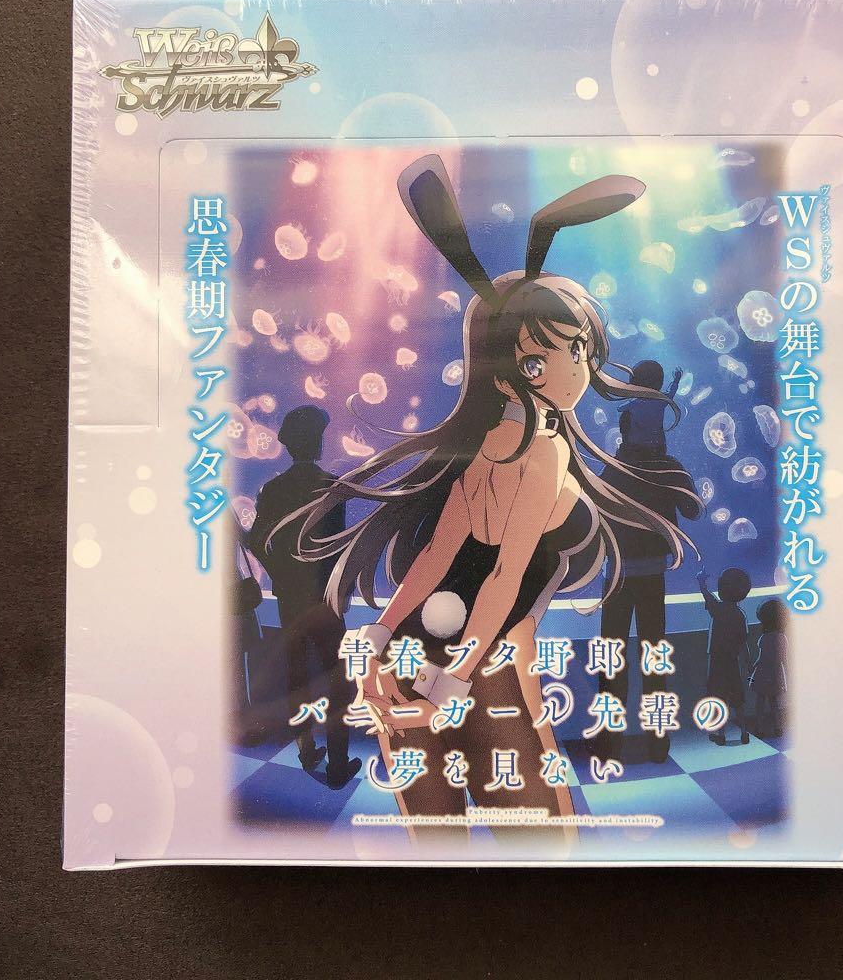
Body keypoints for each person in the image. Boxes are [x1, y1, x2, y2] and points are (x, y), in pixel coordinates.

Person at [273, 154, 700, 838]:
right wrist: (455, 678)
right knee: (531, 840)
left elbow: (440, 559)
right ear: (504, 374)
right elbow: (497, 574)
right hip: (477, 664)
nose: (569, 371)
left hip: (423, 653)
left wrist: (382, 641)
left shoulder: (488, 445)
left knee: (441, 837)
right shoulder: (541, 449)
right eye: (538, 359)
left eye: (575, 351)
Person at [247, 405, 360, 789]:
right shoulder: (332, 486)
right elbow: (340, 548)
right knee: (338, 679)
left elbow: (257, 541)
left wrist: (280, 573)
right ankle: (338, 764)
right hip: (325, 601)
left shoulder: (272, 490)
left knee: (296, 676)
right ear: (316, 441)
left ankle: (306, 750)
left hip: (290, 599)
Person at [597, 360, 703, 763]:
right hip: (653, 575)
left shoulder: (612, 468)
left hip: (616, 575)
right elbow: (692, 510)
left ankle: (608, 744)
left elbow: (592, 513)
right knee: (654, 654)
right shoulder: (668, 467)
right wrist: (673, 482)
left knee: (611, 655)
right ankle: (658, 744)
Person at [696, 567, 752, 746]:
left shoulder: (718, 609)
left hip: (717, 661)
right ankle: (744, 733)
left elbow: (706, 594)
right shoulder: (740, 615)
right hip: (733, 661)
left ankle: (721, 735)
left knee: (719, 698)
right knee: (737, 699)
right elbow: (744, 641)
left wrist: (701, 581)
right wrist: (748, 661)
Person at [750, 598, 788, 737]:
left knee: (760, 701)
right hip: (776, 673)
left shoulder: (764, 638)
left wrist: (753, 667)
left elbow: (761, 657)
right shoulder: (782, 637)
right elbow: (784, 658)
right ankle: (778, 728)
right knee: (774, 702)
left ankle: (760, 728)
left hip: (763, 672)